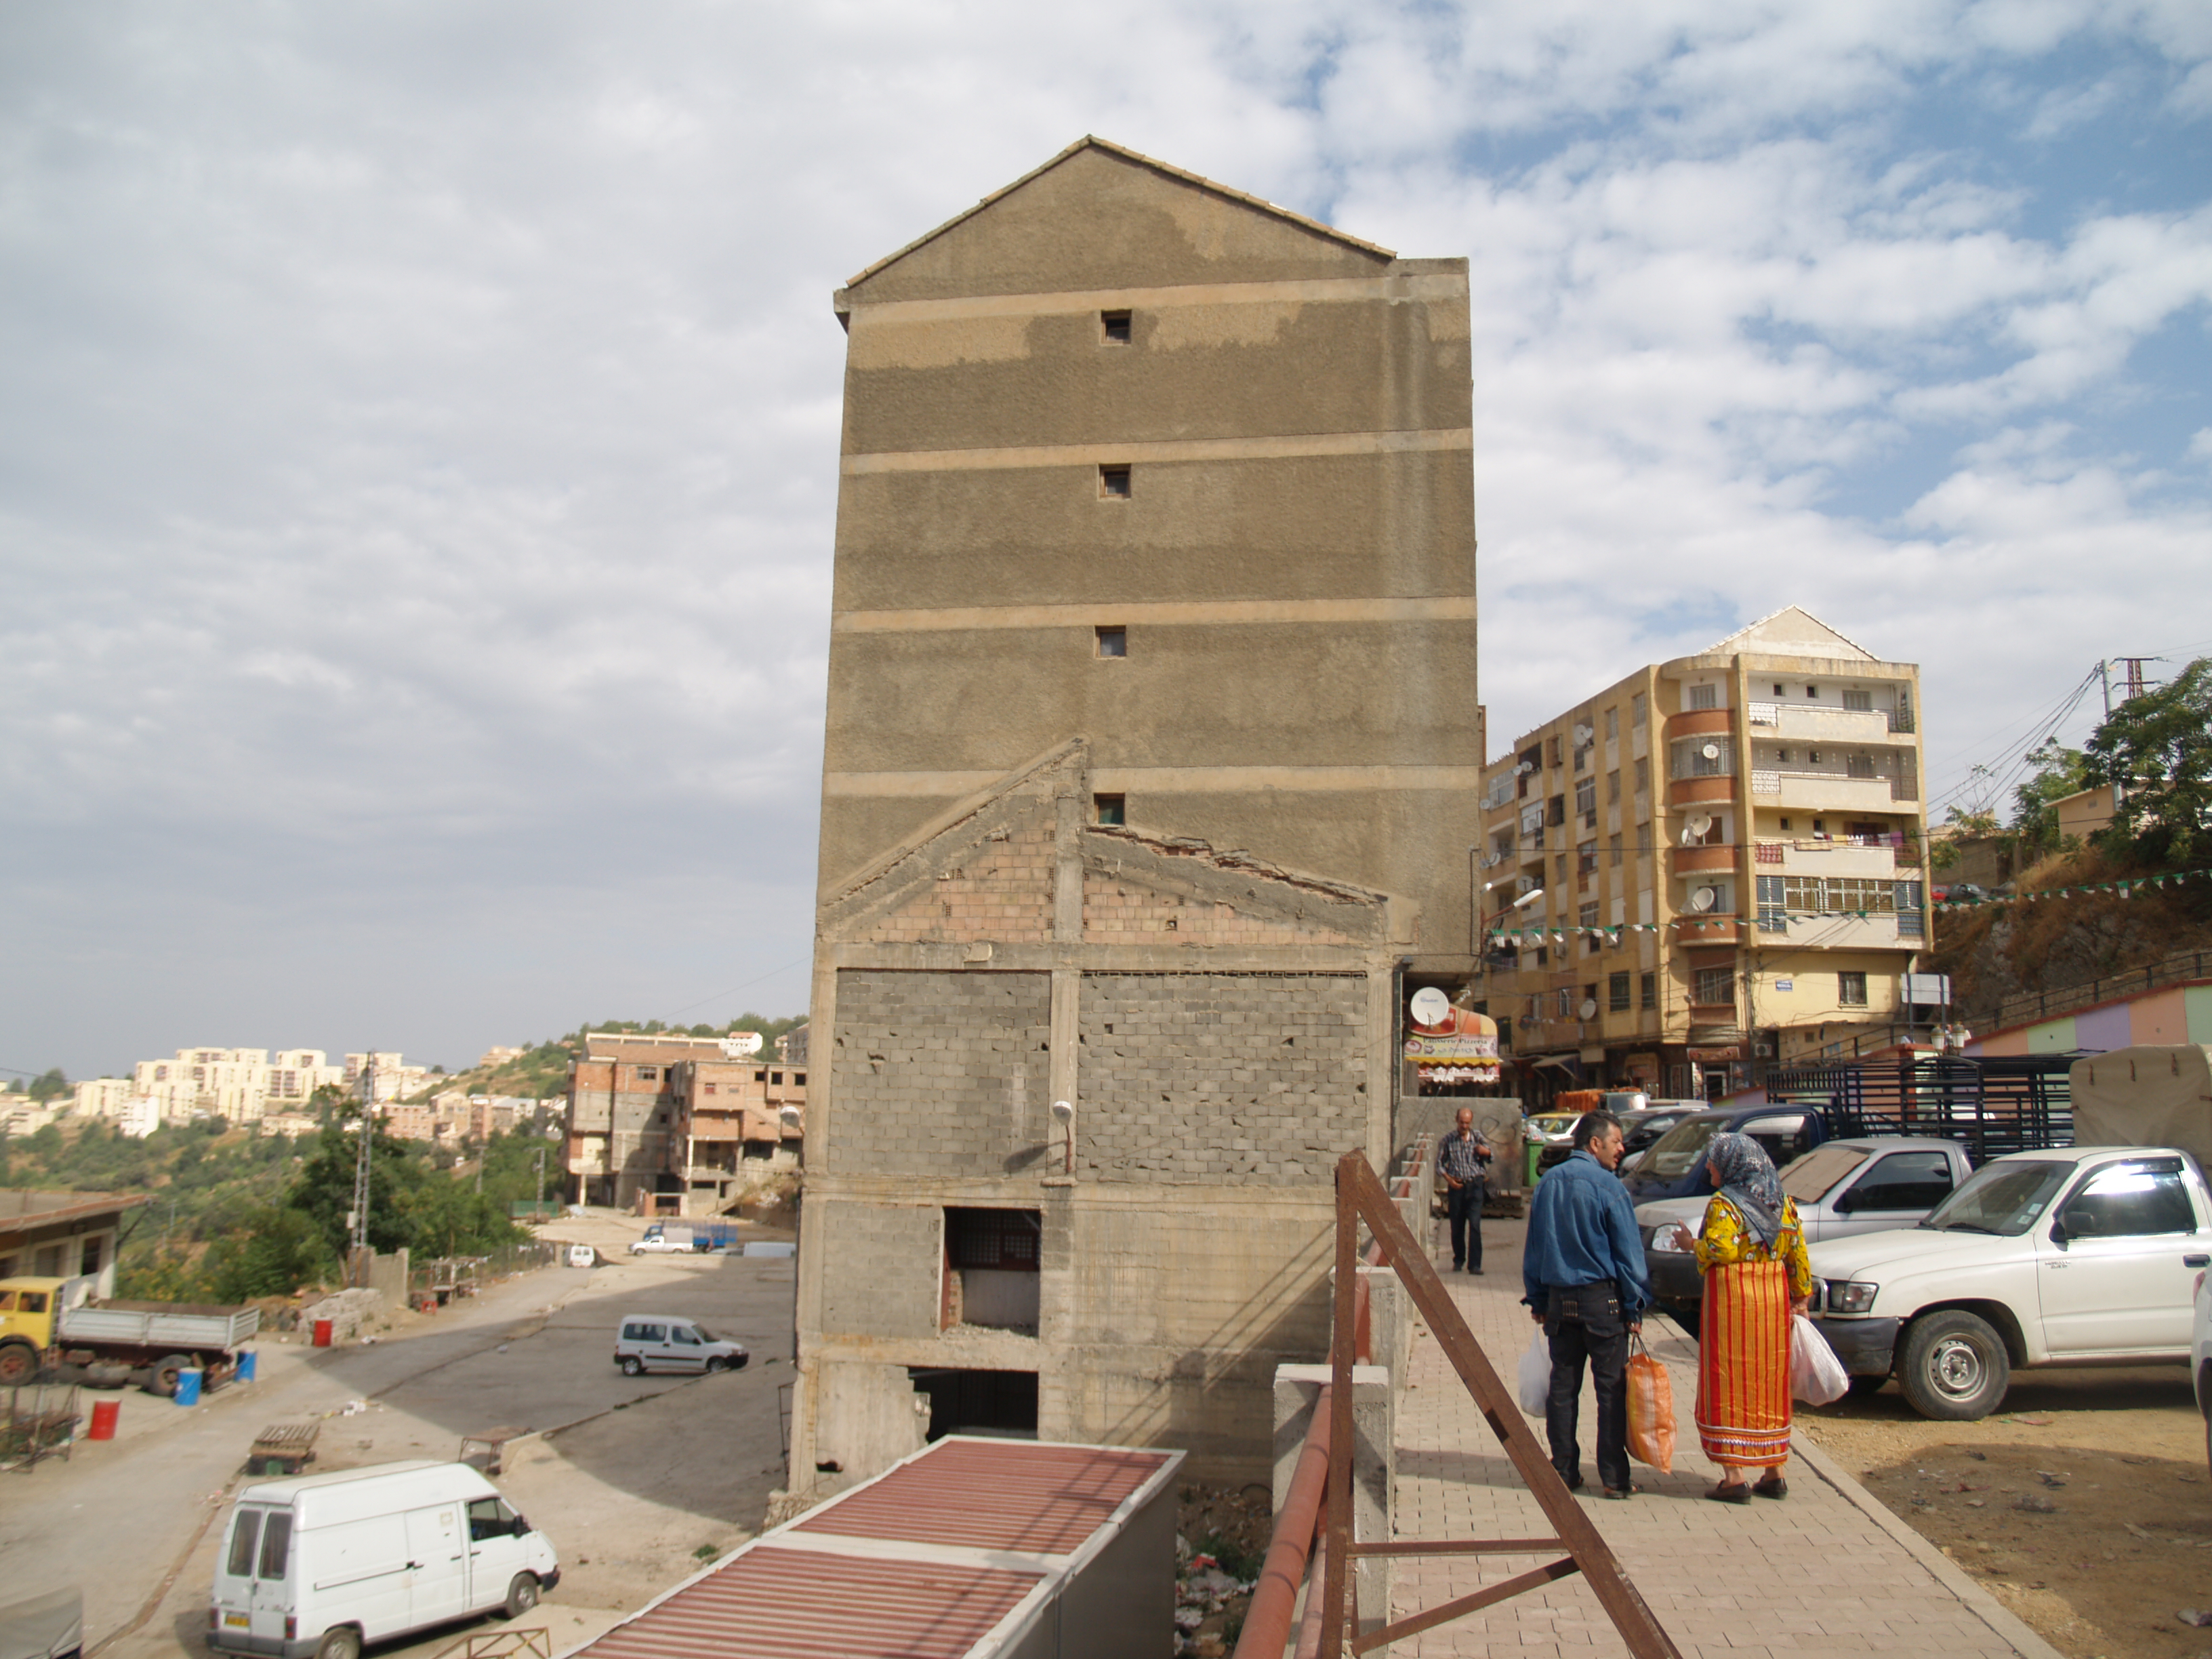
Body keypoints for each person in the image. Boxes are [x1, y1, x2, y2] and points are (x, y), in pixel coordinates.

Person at [1521, 1109, 1650, 1498]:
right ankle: (1613, 1479)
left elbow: (1536, 1248)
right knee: (1610, 1390)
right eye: (1616, 1142)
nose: (1621, 1149)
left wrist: (1539, 1299)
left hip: (1561, 1304)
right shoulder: (1610, 1187)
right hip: (1603, 1304)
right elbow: (1628, 1255)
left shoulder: (1548, 1184)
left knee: (1563, 1388)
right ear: (1595, 1144)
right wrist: (1634, 1305)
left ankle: (1563, 1471)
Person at [1692, 1133, 1813, 1502]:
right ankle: (1774, 1472)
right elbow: (1798, 1256)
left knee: (1728, 1380)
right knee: (1769, 1380)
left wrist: (1691, 1246)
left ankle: (1734, 1478)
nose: (1709, 1166)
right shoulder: (1784, 1205)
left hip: (1734, 1306)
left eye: (1713, 1160)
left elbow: (1721, 1248)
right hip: (1772, 1305)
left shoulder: (1725, 1205)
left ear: (1732, 1164)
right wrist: (1801, 1298)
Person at [1439, 1107, 1492, 1273]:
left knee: (1475, 1225)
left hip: (1475, 1186)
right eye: (1461, 1122)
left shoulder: (1477, 1137)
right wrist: (1449, 1180)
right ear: (1457, 1120)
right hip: (1457, 1188)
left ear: (1471, 1123)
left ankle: (1475, 1265)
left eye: (1467, 1123)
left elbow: (1492, 1156)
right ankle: (1459, 1259)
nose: (1464, 1126)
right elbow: (1439, 1164)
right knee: (1457, 1226)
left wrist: (1486, 1152)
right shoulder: (1448, 1140)